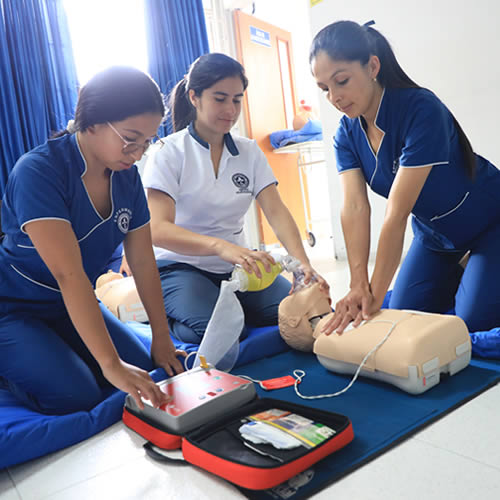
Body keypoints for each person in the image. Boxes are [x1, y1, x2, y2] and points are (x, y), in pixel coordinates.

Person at [0, 66, 184, 415]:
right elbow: (68, 275)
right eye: (130, 138)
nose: (138, 153)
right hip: (13, 308)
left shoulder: (125, 176)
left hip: (68, 306)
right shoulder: (39, 172)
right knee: (77, 395)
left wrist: (161, 336)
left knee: (145, 365)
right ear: (93, 121)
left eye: (147, 142)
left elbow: (143, 261)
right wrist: (110, 365)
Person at [310, 21, 500, 335]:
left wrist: (370, 299)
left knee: (470, 323)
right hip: (435, 236)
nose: (334, 97)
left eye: (341, 81)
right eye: (324, 88)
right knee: (402, 314)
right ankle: (467, 274)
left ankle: (477, 272)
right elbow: (355, 208)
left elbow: (396, 214)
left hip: (489, 222)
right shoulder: (346, 134)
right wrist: (359, 283)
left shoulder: (420, 109)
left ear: (372, 66)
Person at [140, 53, 327, 344]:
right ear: (194, 97)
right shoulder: (168, 152)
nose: (230, 109)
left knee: (297, 313)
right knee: (224, 334)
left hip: (237, 267)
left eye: (237, 100)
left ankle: (228, 307)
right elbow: (157, 230)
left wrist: (304, 267)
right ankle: (170, 314)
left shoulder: (249, 152)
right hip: (179, 267)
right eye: (220, 98)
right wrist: (220, 247)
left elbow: (276, 211)